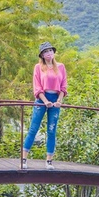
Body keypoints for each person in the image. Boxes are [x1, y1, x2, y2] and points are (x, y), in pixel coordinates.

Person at [22, 41, 67, 170]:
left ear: (53, 52)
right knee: (33, 128)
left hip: (55, 100)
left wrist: (59, 100)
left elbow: (63, 86)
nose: (49, 53)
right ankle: (24, 158)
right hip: (41, 99)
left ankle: (49, 161)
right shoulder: (38, 67)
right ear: (42, 55)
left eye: (50, 51)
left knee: (52, 130)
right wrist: (45, 100)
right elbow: (37, 86)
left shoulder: (61, 67)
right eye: (46, 52)